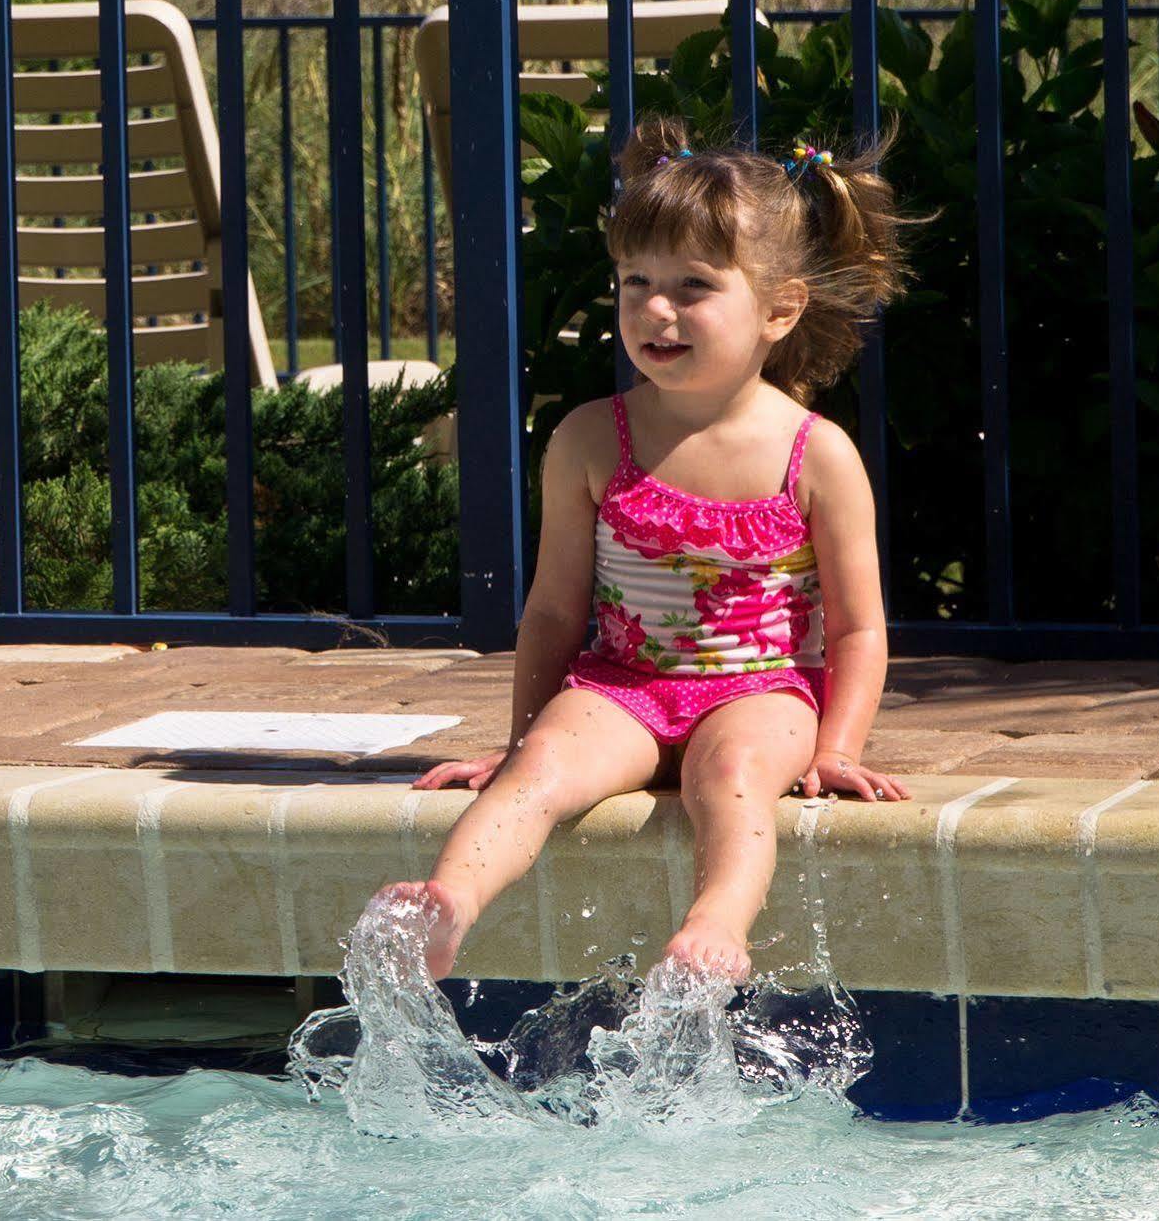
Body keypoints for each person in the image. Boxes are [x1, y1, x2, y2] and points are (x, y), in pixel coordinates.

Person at [373, 114, 914, 984]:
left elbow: (856, 628)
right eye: (635, 281)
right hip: (620, 686)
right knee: (544, 766)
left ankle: (714, 926)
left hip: (761, 691)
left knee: (733, 776)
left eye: (693, 285)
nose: (656, 309)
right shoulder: (590, 439)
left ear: (780, 308)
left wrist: (835, 749)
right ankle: (447, 903)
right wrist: (518, 739)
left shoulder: (813, 454)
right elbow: (553, 608)